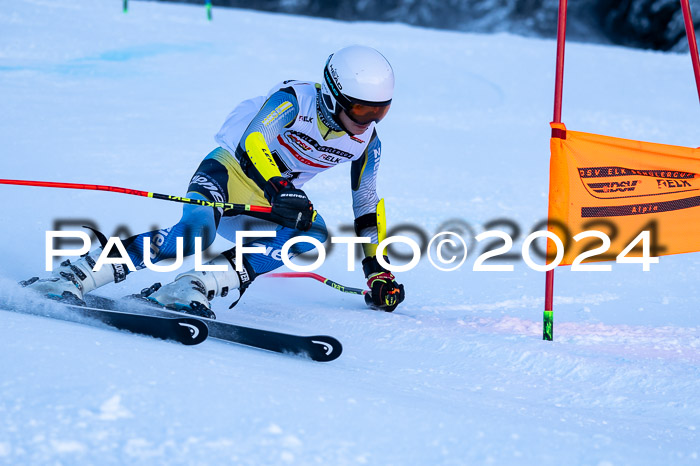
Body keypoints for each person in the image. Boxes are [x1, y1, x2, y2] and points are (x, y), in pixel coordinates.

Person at [22, 45, 406, 318]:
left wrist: (376, 269)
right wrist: (280, 188)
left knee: (312, 234)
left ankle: (193, 285)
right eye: (360, 107)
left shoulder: (367, 143)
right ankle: (75, 275)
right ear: (332, 92)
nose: (368, 119)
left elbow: (366, 204)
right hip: (228, 170)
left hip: (272, 194)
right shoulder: (295, 100)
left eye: (380, 111)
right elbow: (253, 141)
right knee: (192, 235)